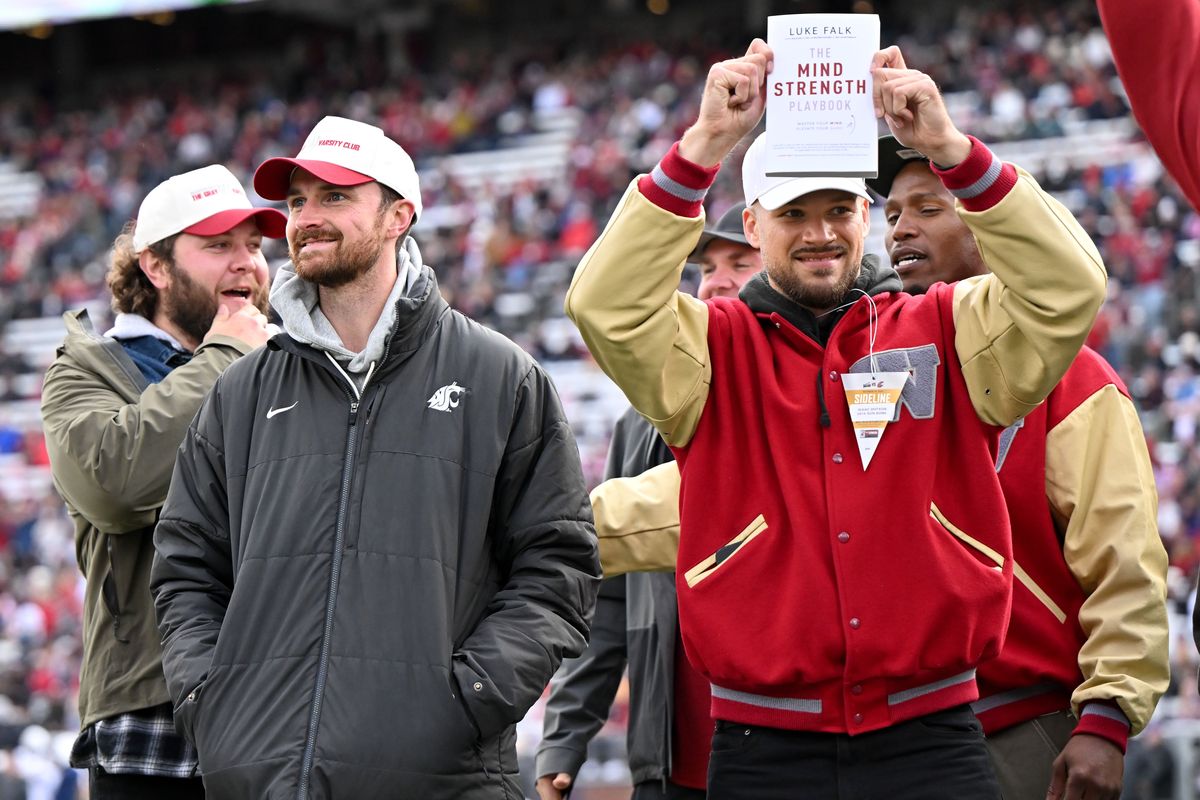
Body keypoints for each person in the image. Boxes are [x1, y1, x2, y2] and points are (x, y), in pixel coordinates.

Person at [565, 40, 1106, 798]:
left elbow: (1071, 287)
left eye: (839, 210)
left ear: (864, 216)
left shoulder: (944, 327)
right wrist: (704, 146)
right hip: (763, 746)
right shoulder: (710, 351)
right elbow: (602, 306)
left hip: (935, 733)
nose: (821, 233)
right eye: (795, 214)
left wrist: (949, 150)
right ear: (752, 226)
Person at [149, 115, 601, 799]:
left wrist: (468, 697)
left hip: (443, 778)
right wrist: (215, 701)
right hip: (261, 775)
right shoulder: (239, 393)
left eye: (334, 197)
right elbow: (185, 573)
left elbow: (558, 566)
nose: (305, 217)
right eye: (297, 200)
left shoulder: (499, 377)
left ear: (398, 215)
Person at [874, 134, 1168, 800]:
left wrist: (1108, 715)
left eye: (928, 206)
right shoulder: (874, 373)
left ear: (988, 223)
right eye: (892, 214)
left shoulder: (1077, 379)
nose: (902, 228)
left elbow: (1123, 560)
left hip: (1024, 729)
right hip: (893, 739)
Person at [40, 164, 285, 798]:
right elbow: (115, 485)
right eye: (217, 246)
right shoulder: (87, 370)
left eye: (253, 247)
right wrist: (225, 356)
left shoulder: (291, 360)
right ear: (154, 266)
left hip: (287, 691)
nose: (246, 265)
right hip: (154, 708)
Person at [536, 204, 757, 800]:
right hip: (671, 763)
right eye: (707, 266)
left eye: (741, 261)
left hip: (792, 751)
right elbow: (608, 596)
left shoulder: (811, 399)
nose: (717, 279)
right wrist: (565, 736)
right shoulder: (641, 421)